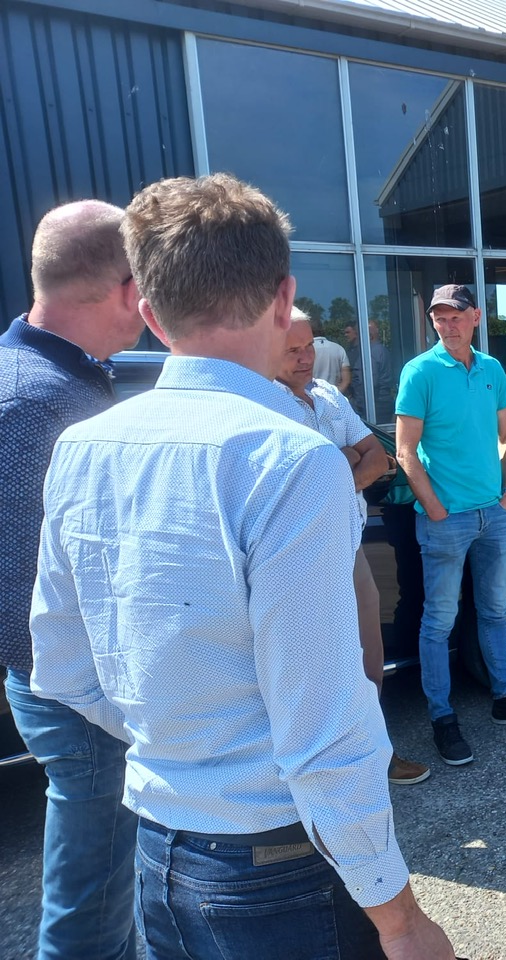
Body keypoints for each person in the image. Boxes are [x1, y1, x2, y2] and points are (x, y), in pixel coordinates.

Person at [28, 174, 454, 960]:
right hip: (275, 866)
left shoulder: (81, 448)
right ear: (284, 295)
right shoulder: (291, 460)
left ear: (149, 312)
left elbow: (59, 666)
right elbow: (324, 729)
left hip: (158, 851)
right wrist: (400, 920)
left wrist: (180, 744)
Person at [1, 200, 143, 960]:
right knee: (91, 909)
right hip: (77, 692)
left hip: (64, 683)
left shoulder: (45, 378)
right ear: (128, 288)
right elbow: (25, 586)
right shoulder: (40, 403)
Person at [395, 283, 506, 765]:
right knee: (439, 621)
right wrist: (435, 508)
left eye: (456, 316)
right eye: (439, 317)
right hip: (446, 521)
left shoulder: (491, 369)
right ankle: (443, 718)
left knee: (493, 610)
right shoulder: (419, 372)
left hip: (494, 514)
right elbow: (405, 451)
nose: (447, 325)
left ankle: (505, 697)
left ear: (476, 317)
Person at [276, 309, 429, 786]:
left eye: (309, 346)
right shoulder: (262, 405)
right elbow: (292, 483)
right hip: (298, 555)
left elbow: (378, 459)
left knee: (368, 652)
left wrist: (332, 466)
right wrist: (343, 457)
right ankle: (324, 771)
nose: (306, 358)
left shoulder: (327, 395)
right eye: (293, 350)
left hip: (349, 542)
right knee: (314, 667)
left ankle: (373, 752)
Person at [311, 325, 351, 393]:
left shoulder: (306, 351)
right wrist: (336, 394)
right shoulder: (339, 349)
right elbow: (346, 380)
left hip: (312, 394)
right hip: (334, 394)